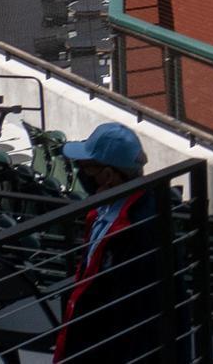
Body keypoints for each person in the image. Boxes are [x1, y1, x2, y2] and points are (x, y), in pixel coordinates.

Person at [53, 122, 167, 364]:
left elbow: (136, 311)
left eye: (85, 167)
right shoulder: (106, 211)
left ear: (108, 175)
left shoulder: (142, 226)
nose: (81, 173)